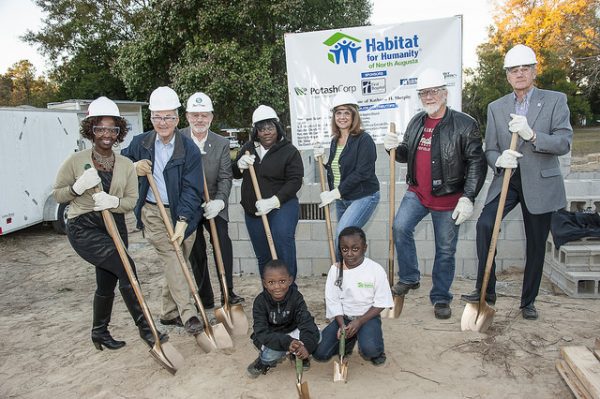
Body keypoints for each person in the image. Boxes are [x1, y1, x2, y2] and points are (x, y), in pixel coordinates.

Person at [461, 44, 573, 320]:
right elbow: (490, 148)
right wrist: (499, 160)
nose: (520, 74)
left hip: (541, 182)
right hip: (508, 179)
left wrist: (532, 135)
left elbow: (564, 141)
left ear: (534, 71)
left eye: (525, 69)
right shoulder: (496, 107)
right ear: (507, 75)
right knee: (486, 224)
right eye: (514, 70)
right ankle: (486, 289)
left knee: (535, 243)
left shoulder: (555, 100)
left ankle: (528, 302)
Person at [53, 96, 167, 350]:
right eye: (100, 128)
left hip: (114, 224)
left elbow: (130, 201)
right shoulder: (76, 161)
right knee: (127, 269)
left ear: (119, 132)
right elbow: (58, 194)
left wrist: (113, 201)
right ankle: (148, 331)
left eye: (112, 129)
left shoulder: (126, 164)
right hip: (84, 226)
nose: (106, 134)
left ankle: (99, 333)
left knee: (107, 280)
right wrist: (76, 187)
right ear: (91, 130)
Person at [383, 68, 487, 319]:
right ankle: (410, 277)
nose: (428, 97)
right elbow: (407, 152)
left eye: (433, 91)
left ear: (444, 93)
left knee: (445, 250)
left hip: (449, 197)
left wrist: (468, 196)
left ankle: (441, 297)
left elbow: (477, 162)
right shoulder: (417, 121)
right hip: (417, 192)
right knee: (400, 228)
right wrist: (393, 148)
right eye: (423, 93)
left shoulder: (464, 124)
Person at [121, 86, 204, 334]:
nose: (163, 122)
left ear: (177, 119)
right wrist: (132, 166)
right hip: (152, 211)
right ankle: (188, 314)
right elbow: (119, 163)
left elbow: (192, 188)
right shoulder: (140, 143)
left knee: (180, 260)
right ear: (151, 118)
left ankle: (168, 313)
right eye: (158, 116)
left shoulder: (189, 149)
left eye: (168, 117)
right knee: (172, 256)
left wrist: (183, 219)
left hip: (182, 212)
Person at [181, 92, 244, 309]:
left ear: (211, 118)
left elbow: (226, 176)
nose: (199, 119)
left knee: (222, 243)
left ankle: (228, 292)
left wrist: (220, 202)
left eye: (204, 115)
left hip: (214, 201)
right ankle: (205, 296)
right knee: (195, 249)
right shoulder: (179, 139)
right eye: (195, 115)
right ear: (187, 116)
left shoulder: (221, 143)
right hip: (188, 204)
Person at [232, 105, 303, 280]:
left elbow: (295, 181)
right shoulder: (248, 148)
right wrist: (239, 164)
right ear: (256, 131)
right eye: (261, 129)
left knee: (282, 242)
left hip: (282, 206)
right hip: (253, 209)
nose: (266, 132)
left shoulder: (289, 151)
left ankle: (289, 290)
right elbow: (234, 173)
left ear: (277, 127)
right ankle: (269, 293)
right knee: (263, 254)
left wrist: (274, 201)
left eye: (270, 127)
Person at [313, 226, 393, 366]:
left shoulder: (375, 270)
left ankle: (377, 350)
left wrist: (359, 322)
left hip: (367, 317)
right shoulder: (335, 270)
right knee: (320, 353)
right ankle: (349, 340)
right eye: (345, 249)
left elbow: (381, 302)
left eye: (355, 249)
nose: (349, 253)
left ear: (364, 248)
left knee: (370, 351)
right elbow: (333, 300)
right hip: (343, 318)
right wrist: (342, 325)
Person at [315, 92, 380, 258]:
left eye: (346, 112)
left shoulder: (364, 139)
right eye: (338, 113)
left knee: (342, 235)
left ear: (354, 115)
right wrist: (323, 161)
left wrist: (335, 193)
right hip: (342, 198)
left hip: (364, 195)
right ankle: (344, 275)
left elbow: (363, 172)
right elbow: (338, 167)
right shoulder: (335, 140)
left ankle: (344, 273)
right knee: (349, 239)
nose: (342, 117)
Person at [247, 259, 320, 378]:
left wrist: (306, 346)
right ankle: (263, 361)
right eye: (271, 282)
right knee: (269, 355)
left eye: (282, 281)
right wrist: (287, 342)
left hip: (292, 332)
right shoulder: (260, 302)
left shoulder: (296, 297)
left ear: (290, 280)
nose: (277, 287)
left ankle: (298, 354)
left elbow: (306, 322)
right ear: (264, 284)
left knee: (317, 335)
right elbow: (261, 331)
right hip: (272, 336)